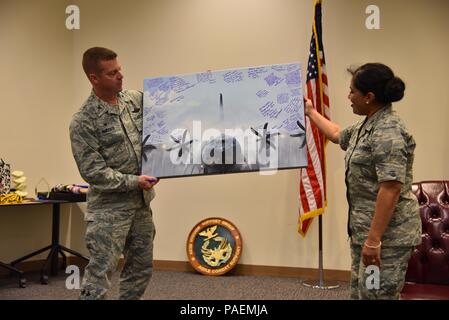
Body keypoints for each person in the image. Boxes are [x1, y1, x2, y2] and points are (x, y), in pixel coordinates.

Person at [304, 63, 421, 299]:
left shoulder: (388, 132)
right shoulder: (368, 123)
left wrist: (374, 240)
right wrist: (310, 111)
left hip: (386, 238)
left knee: (376, 295)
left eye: (352, 92)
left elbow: (390, 189)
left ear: (368, 97)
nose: (349, 97)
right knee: (361, 294)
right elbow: (337, 134)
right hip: (364, 233)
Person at [69, 47, 159, 300]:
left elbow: (170, 107)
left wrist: (202, 86)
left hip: (140, 206)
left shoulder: (134, 100)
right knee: (99, 275)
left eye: (119, 70)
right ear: (94, 78)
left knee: (140, 269)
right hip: (109, 212)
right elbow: (93, 171)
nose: (121, 76)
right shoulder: (84, 120)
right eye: (112, 73)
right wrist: (135, 181)